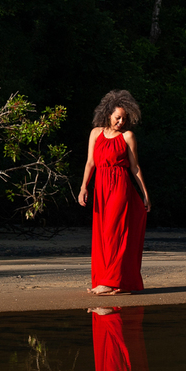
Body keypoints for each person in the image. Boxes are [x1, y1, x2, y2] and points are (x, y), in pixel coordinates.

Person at [77, 90, 150, 295]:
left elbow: (135, 168)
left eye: (124, 119)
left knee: (113, 232)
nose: (120, 121)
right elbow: (90, 162)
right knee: (101, 233)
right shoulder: (95, 133)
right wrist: (84, 187)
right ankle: (110, 281)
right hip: (100, 186)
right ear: (108, 113)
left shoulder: (127, 137)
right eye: (118, 117)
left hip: (120, 186)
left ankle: (110, 281)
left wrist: (145, 193)